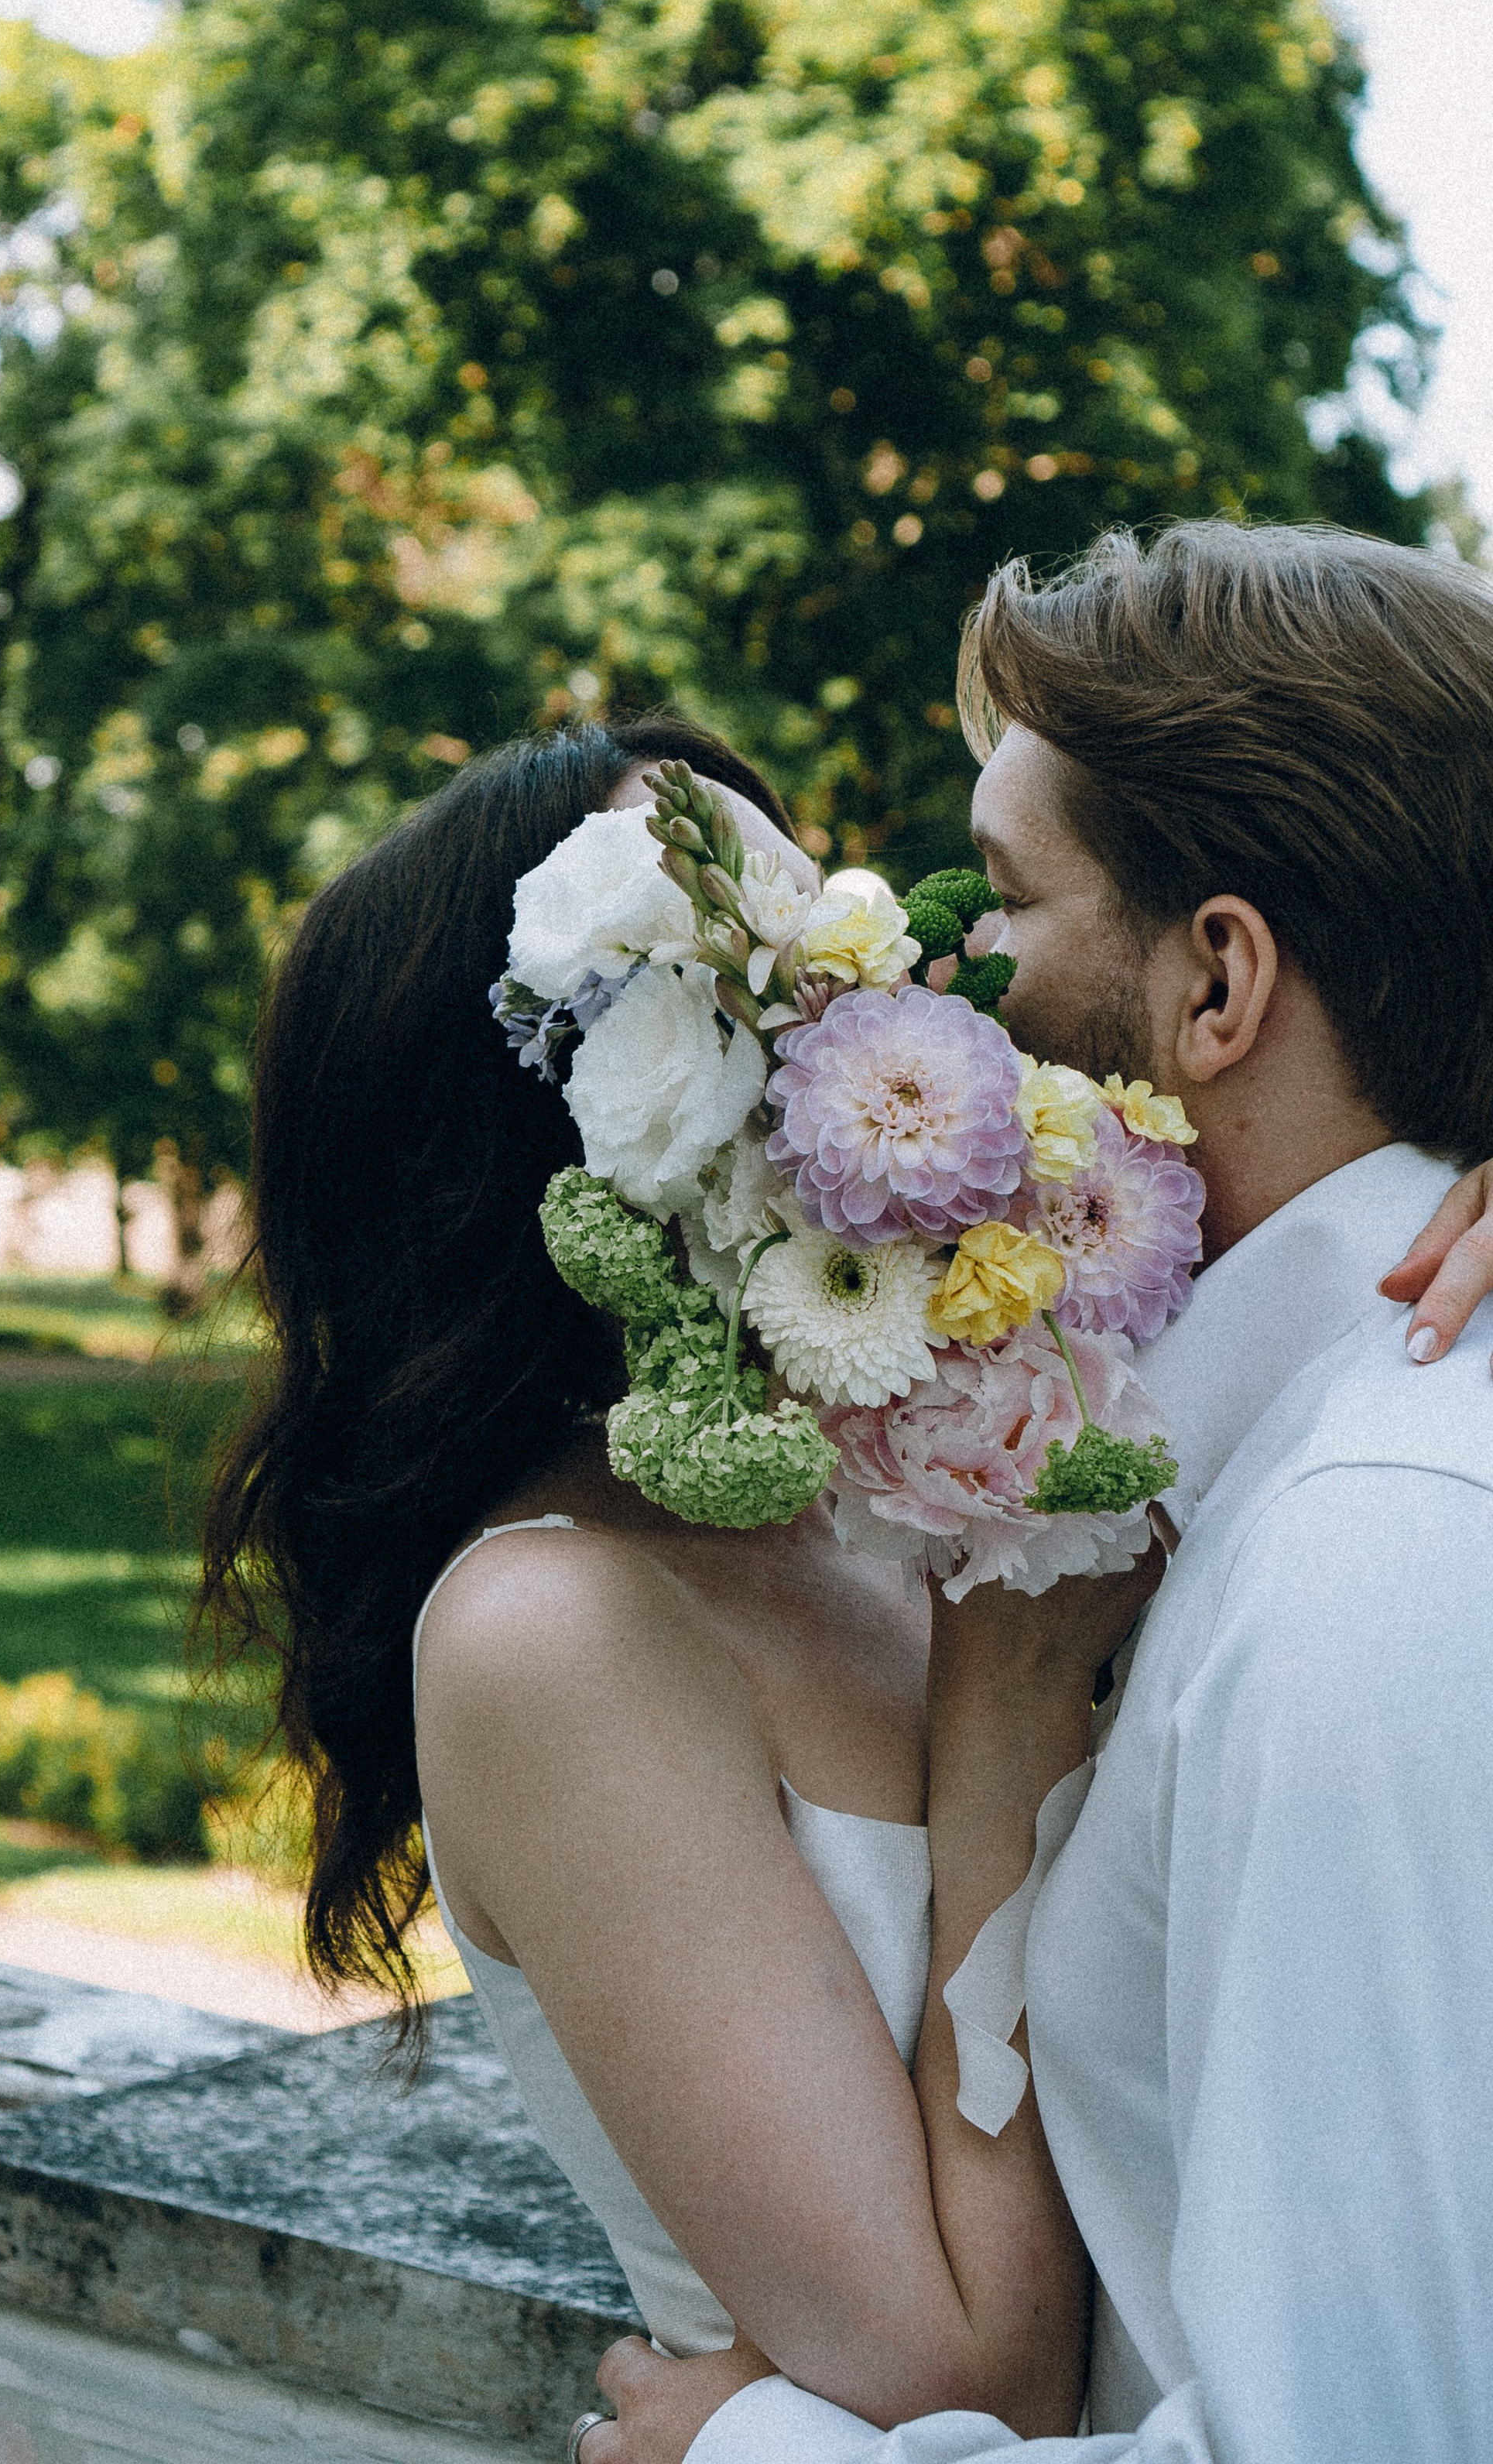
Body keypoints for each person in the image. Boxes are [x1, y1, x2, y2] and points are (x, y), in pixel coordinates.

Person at [594, 519, 1493, 2464]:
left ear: (1216, 981)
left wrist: (750, 2456)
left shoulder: (1369, 1557)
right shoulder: (1268, 1476)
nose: (942, 977)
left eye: (1002, 901)